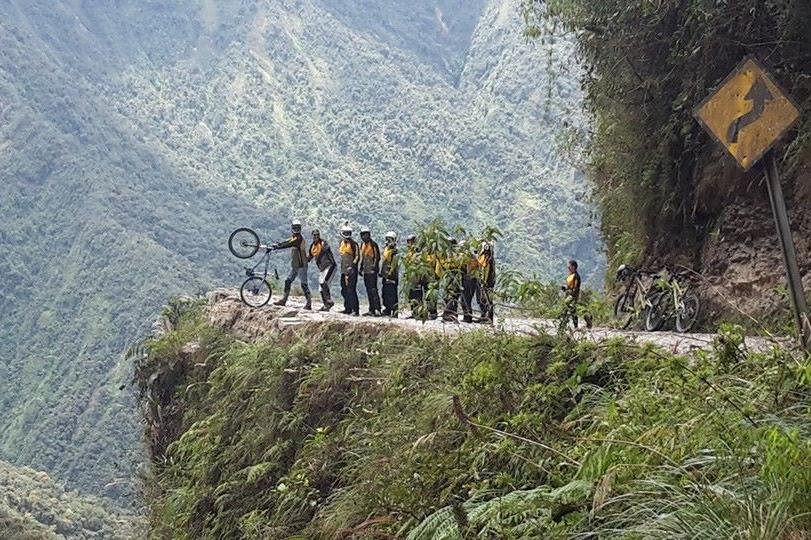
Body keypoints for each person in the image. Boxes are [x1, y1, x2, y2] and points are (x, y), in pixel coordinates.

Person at [272, 220, 311, 310]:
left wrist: (278, 247)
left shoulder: (299, 238)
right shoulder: (294, 237)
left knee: (304, 284)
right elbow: (287, 241)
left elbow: (289, 244)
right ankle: (283, 300)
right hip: (295, 265)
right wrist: (278, 244)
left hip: (301, 265)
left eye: (298, 227)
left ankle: (309, 304)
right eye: (295, 227)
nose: (296, 229)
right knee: (288, 281)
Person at [308, 229, 337, 311]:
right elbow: (309, 257)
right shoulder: (312, 247)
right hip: (322, 269)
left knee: (324, 283)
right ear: (312, 236)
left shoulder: (323, 243)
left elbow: (326, 248)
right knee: (320, 289)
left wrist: (322, 250)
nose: (316, 236)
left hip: (330, 266)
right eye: (314, 235)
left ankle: (329, 301)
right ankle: (326, 306)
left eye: (318, 235)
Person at [359, 227, 382, 316]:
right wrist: (361, 268)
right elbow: (363, 258)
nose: (365, 237)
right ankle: (371, 309)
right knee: (368, 290)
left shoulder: (373, 244)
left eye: (367, 234)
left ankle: (377, 309)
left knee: (373, 289)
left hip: (372, 271)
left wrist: (374, 268)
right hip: (366, 271)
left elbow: (377, 257)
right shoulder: (362, 245)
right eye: (364, 235)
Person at [338, 224, 360, 315]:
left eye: (348, 233)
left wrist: (353, 265)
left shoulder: (354, 244)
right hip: (343, 270)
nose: (347, 234)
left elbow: (358, 256)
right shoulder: (341, 243)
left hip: (352, 271)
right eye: (345, 233)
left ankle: (355, 309)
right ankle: (348, 308)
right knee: (344, 289)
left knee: (351, 289)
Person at [441, 236, 462, 322]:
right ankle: (451, 314)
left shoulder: (456, 254)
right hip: (448, 276)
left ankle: (449, 314)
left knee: (453, 295)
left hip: (454, 275)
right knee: (446, 296)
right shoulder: (447, 254)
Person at [380, 231, 399, 317]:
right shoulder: (386, 249)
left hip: (392, 276)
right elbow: (384, 262)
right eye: (387, 239)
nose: (388, 241)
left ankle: (395, 311)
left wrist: (390, 275)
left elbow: (394, 265)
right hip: (385, 274)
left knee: (392, 294)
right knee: (385, 293)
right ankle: (387, 309)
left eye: (390, 239)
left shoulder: (395, 252)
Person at [477, 242, 496, 323]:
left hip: (488, 283)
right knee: (482, 300)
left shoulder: (490, 260)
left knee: (489, 300)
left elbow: (488, 272)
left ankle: (489, 318)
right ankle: (483, 316)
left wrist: (485, 282)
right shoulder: (484, 258)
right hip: (483, 282)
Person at [461, 243, 479, 323]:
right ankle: (467, 316)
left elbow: (469, 269)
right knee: (465, 299)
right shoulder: (469, 256)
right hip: (469, 280)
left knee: (466, 299)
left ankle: (468, 317)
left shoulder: (469, 257)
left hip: (469, 281)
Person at [563, 259, 582, 328]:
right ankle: (565, 324)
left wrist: (573, 294)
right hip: (569, 294)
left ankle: (572, 325)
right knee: (571, 310)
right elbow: (569, 285)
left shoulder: (576, 276)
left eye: (569, 266)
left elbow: (576, 287)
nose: (568, 267)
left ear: (573, 266)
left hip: (573, 295)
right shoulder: (571, 275)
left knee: (570, 309)